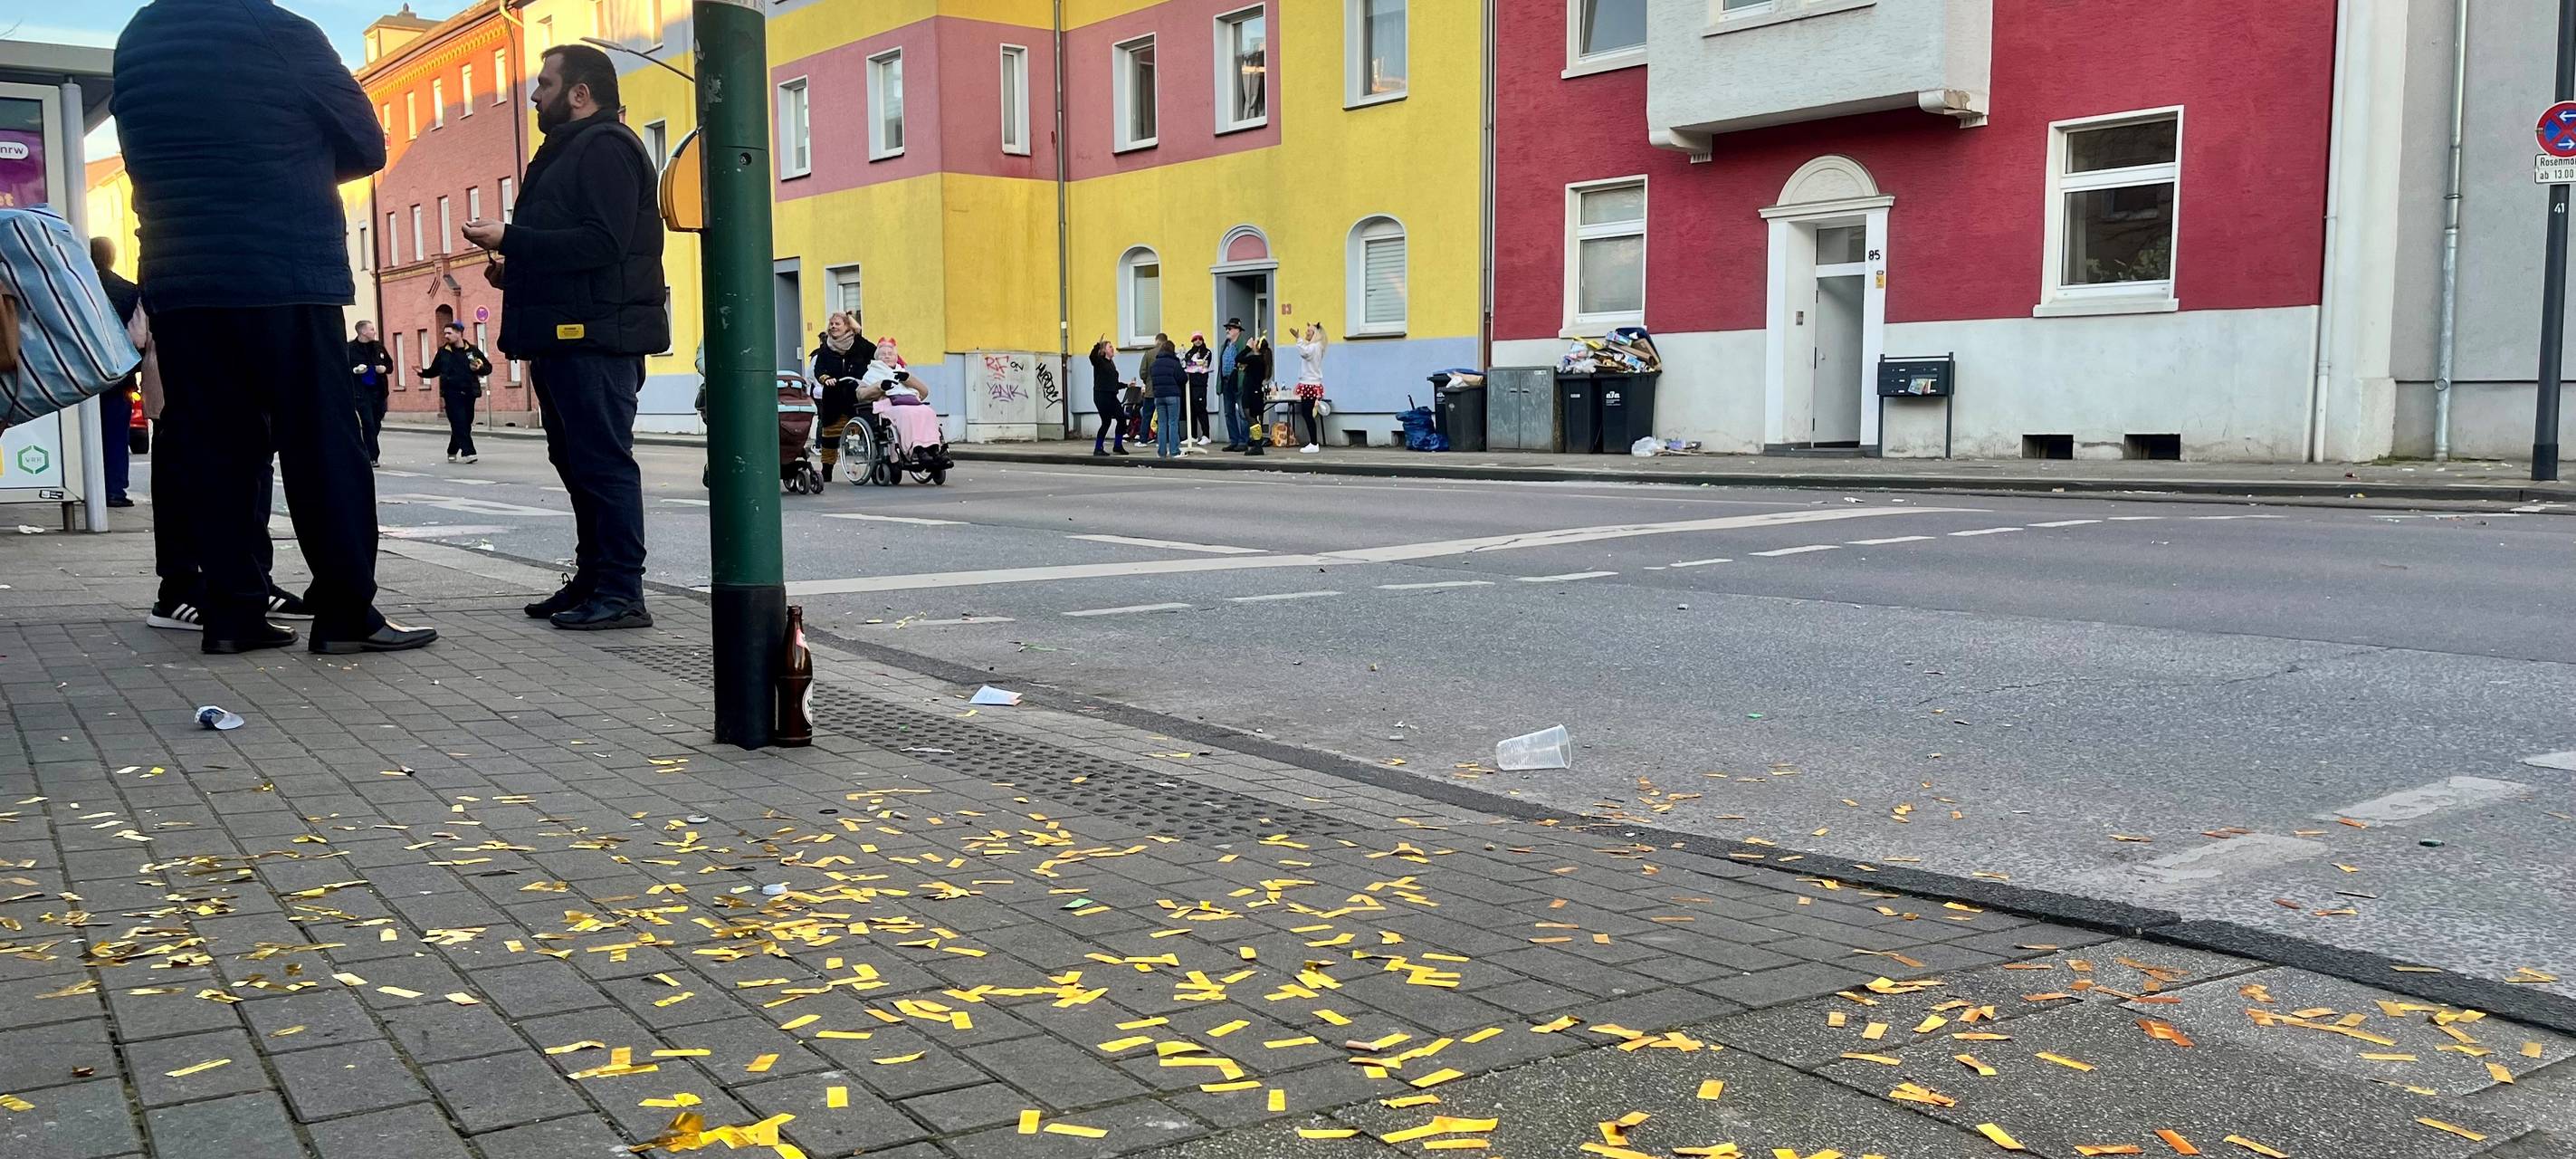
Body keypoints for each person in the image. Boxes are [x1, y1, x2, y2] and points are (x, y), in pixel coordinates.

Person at [113, 0, 434, 655]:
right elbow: (367, 143)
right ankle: (346, 612)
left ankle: (233, 615)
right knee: (321, 443)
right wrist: (298, 165)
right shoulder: (281, 30)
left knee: (218, 451)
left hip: (183, 276)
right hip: (282, 267)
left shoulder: (139, 36)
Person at [462, 43, 668, 632]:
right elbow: (572, 245)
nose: (533, 95)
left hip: (597, 337)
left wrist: (512, 239)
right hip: (563, 334)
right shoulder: (567, 150)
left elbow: (603, 242)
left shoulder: (605, 146)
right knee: (575, 461)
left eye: (545, 85)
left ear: (580, 94)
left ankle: (623, 592)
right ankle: (594, 580)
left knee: (602, 465)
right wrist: (515, 268)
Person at [89, 237, 139, 507]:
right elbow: (138, 337)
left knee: (85, 433)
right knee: (116, 434)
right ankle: (114, 489)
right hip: (119, 375)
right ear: (113, 257)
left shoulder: (80, 288)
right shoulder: (129, 290)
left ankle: (87, 484)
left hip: (82, 375)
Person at [809, 311, 874, 482]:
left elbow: (877, 357)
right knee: (829, 435)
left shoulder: (860, 344)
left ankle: (873, 463)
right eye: (831, 324)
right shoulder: (826, 348)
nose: (833, 327)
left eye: (837, 324)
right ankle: (827, 470)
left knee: (868, 432)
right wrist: (825, 378)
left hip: (856, 396)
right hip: (833, 397)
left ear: (847, 326)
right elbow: (818, 369)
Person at [419, 321, 492, 463]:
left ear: (459, 333)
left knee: (466, 422)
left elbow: (487, 368)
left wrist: (479, 369)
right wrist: (422, 373)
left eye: (449, 333)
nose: (446, 336)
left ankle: (452, 449)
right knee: (459, 421)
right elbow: (434, 370)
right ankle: (468, 452)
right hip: (451, 392)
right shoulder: (443, 352)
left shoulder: (472, 351)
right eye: (445, 333)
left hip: (469, 392)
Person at [348, 321, 392, 465]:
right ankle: (372, 456)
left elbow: (390, 365)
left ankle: (366, 445)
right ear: (363, 332)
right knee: (368, 423)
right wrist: (356, 370)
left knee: (377, 421)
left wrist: (383, 369)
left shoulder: (378, 347)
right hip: (362, 391)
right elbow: (343, 369)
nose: (374, 332)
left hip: (378, 391)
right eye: (372, 329)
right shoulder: (351, 349)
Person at [1148, 338, 1187, 459]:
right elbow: (1183, 379)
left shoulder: (1154, 364)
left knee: (1162, 424)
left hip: (1158, 396)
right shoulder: (1174, 363)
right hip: (1172, 396)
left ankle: (1162, 452)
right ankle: (1174, 450)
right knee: (1173, 423)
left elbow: (1152, 380)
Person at [1088, 339, 1128, 455]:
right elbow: (1092, 357)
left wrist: (1126, 385)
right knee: (1106, 422)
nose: (1113, 348)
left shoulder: (1111, 364)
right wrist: (1097, 345)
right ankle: (1098, 448)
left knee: (1121, 418)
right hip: (1101, 396)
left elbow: (1113, 383)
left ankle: (1118, 445)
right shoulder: (1099, 362)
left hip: (1111, 396)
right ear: (1104, 350)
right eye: (1110, 347)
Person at [1293, 322, 1327, 454]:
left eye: (1309, 331)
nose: (1306, 333)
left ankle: (1313, 443)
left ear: (1315, 334)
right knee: (1307, 413)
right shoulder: (1317, 346)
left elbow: (1304, 353)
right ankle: (1313, 442)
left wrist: (1298, 338)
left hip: (1310, 384)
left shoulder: (1314, 347)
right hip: (1311, 383)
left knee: (1307, 413)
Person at [1216, 319, 1248, 451]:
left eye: (1230, 328)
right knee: (1228, 412)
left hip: (1238, 382)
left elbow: (1245, 364)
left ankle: (1243, 441)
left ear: (1237, 330)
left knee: (1242, 412)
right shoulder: (1225, 345)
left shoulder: (1242, 345)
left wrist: (1242, 381)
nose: (1227, 331)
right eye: (1227, 328)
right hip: (1226, 381)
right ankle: (1234, 440)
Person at [1237, 335, 1271, 457]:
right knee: (1252, 418)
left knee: (1251, 418)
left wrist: (1247, 348)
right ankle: (1257, 443)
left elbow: (1238, 358)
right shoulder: (1260, 360)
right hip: (1254, 392)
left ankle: (1258, 445)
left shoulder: (1256, 359)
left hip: (1251, 392)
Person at [1183, 332, 1213, 446]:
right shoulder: (1189, 353)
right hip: (1189, 385)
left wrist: (1193, 365)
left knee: (1201, 409)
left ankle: (1206, 435)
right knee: (1190, 410)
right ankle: (1193, 435)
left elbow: (1203, 365)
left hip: (1200, 385)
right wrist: (1194, 365)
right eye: (1195, 339)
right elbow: (1187, 364)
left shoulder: (1207, 352)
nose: (1198, 340)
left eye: (1200, 338)